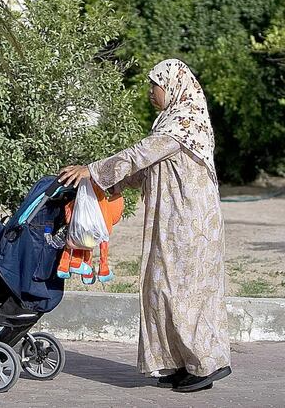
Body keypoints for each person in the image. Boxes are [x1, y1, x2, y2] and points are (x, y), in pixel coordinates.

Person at [58, 58, 231, 392]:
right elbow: (147, 168)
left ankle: (207, 363)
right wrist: (106, 184)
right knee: (162, 286)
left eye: (156, 85)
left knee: (183, 289)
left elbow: (140, 154)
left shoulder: (183, 122)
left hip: (190, 221)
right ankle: (184, 362)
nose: (152, 92)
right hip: (172, 218)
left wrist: (93, 170)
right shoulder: (169, 121)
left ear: (173, 86)